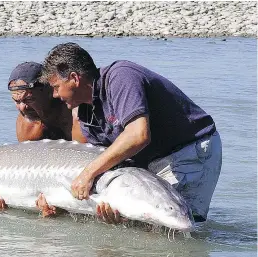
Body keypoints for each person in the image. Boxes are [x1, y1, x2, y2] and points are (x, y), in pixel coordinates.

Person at [38, 42, 222, 223]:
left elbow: (138, 135)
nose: (55, 95)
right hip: (149, 162)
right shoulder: (86, 113)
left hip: (186, 151)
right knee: (142, 225)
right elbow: (110, 159)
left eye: (56, 87)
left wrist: (87, 174)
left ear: (74, 78)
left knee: (178, 223)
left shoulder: (121, 77)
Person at [0, 62, 87, 214]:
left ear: (49, 91)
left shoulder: (76, 116)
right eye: (17, 101)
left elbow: (87, 167)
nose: (22, 108)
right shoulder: (28, 125)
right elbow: (29, 170)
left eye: (28, 100)